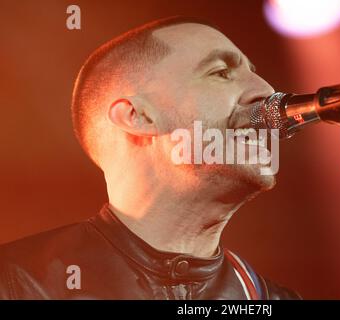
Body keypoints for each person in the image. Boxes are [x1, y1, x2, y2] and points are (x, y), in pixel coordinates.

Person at [0, 16, 300, 299]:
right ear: (138, 116)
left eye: (255, 74)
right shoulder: (16, 282)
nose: (267, 90)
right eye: (221, 73)